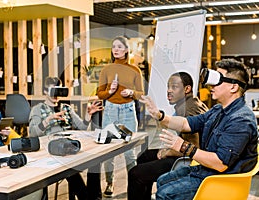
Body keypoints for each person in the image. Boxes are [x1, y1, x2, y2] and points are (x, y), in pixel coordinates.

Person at [141, 59, 258, 199]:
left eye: (218, 80)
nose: (211, 85)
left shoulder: (240, 120)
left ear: (233, 87)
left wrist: (183, 146)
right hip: (207, 170)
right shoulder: (217, 110)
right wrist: (159, 115)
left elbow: (220, 164)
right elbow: (186, 124)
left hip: (221, 179)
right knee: (162, 181)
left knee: (165, 193)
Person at [128, 72, 208, 200]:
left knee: (135, 173)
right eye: (168, 87)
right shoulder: (192, 103)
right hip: (187, 155)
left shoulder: (188, 110)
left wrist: (167, 152)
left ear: (187, 89)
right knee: (144, 156)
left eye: (174, 87)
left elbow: (192, 148)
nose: (169, 91)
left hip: (190, 162)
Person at [29, 77, 103, 200]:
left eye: (59, 90)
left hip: (69, 145)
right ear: (45, 91)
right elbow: (32, 133)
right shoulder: (38, 109)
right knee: (70, 167)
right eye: (53, 90)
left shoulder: (66, 108)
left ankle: (94, 197)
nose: (56, 94)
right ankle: (85, 197)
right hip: (50, 149)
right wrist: (48, 120)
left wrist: (88, 115)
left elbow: (82, 127)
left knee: (95, 160)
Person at [97, 36, 144, 197]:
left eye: (119, 47)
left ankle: (134, 184)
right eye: (113, 47)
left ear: (125, 50)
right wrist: (110, 91)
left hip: (128, 112)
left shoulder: (135, 70)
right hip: (110, 111)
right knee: (107, 151)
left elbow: (141, 94)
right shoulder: (106, 70)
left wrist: (131, 92)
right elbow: (99, 94)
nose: (115, 49)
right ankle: (109, 183)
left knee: (128, 152)